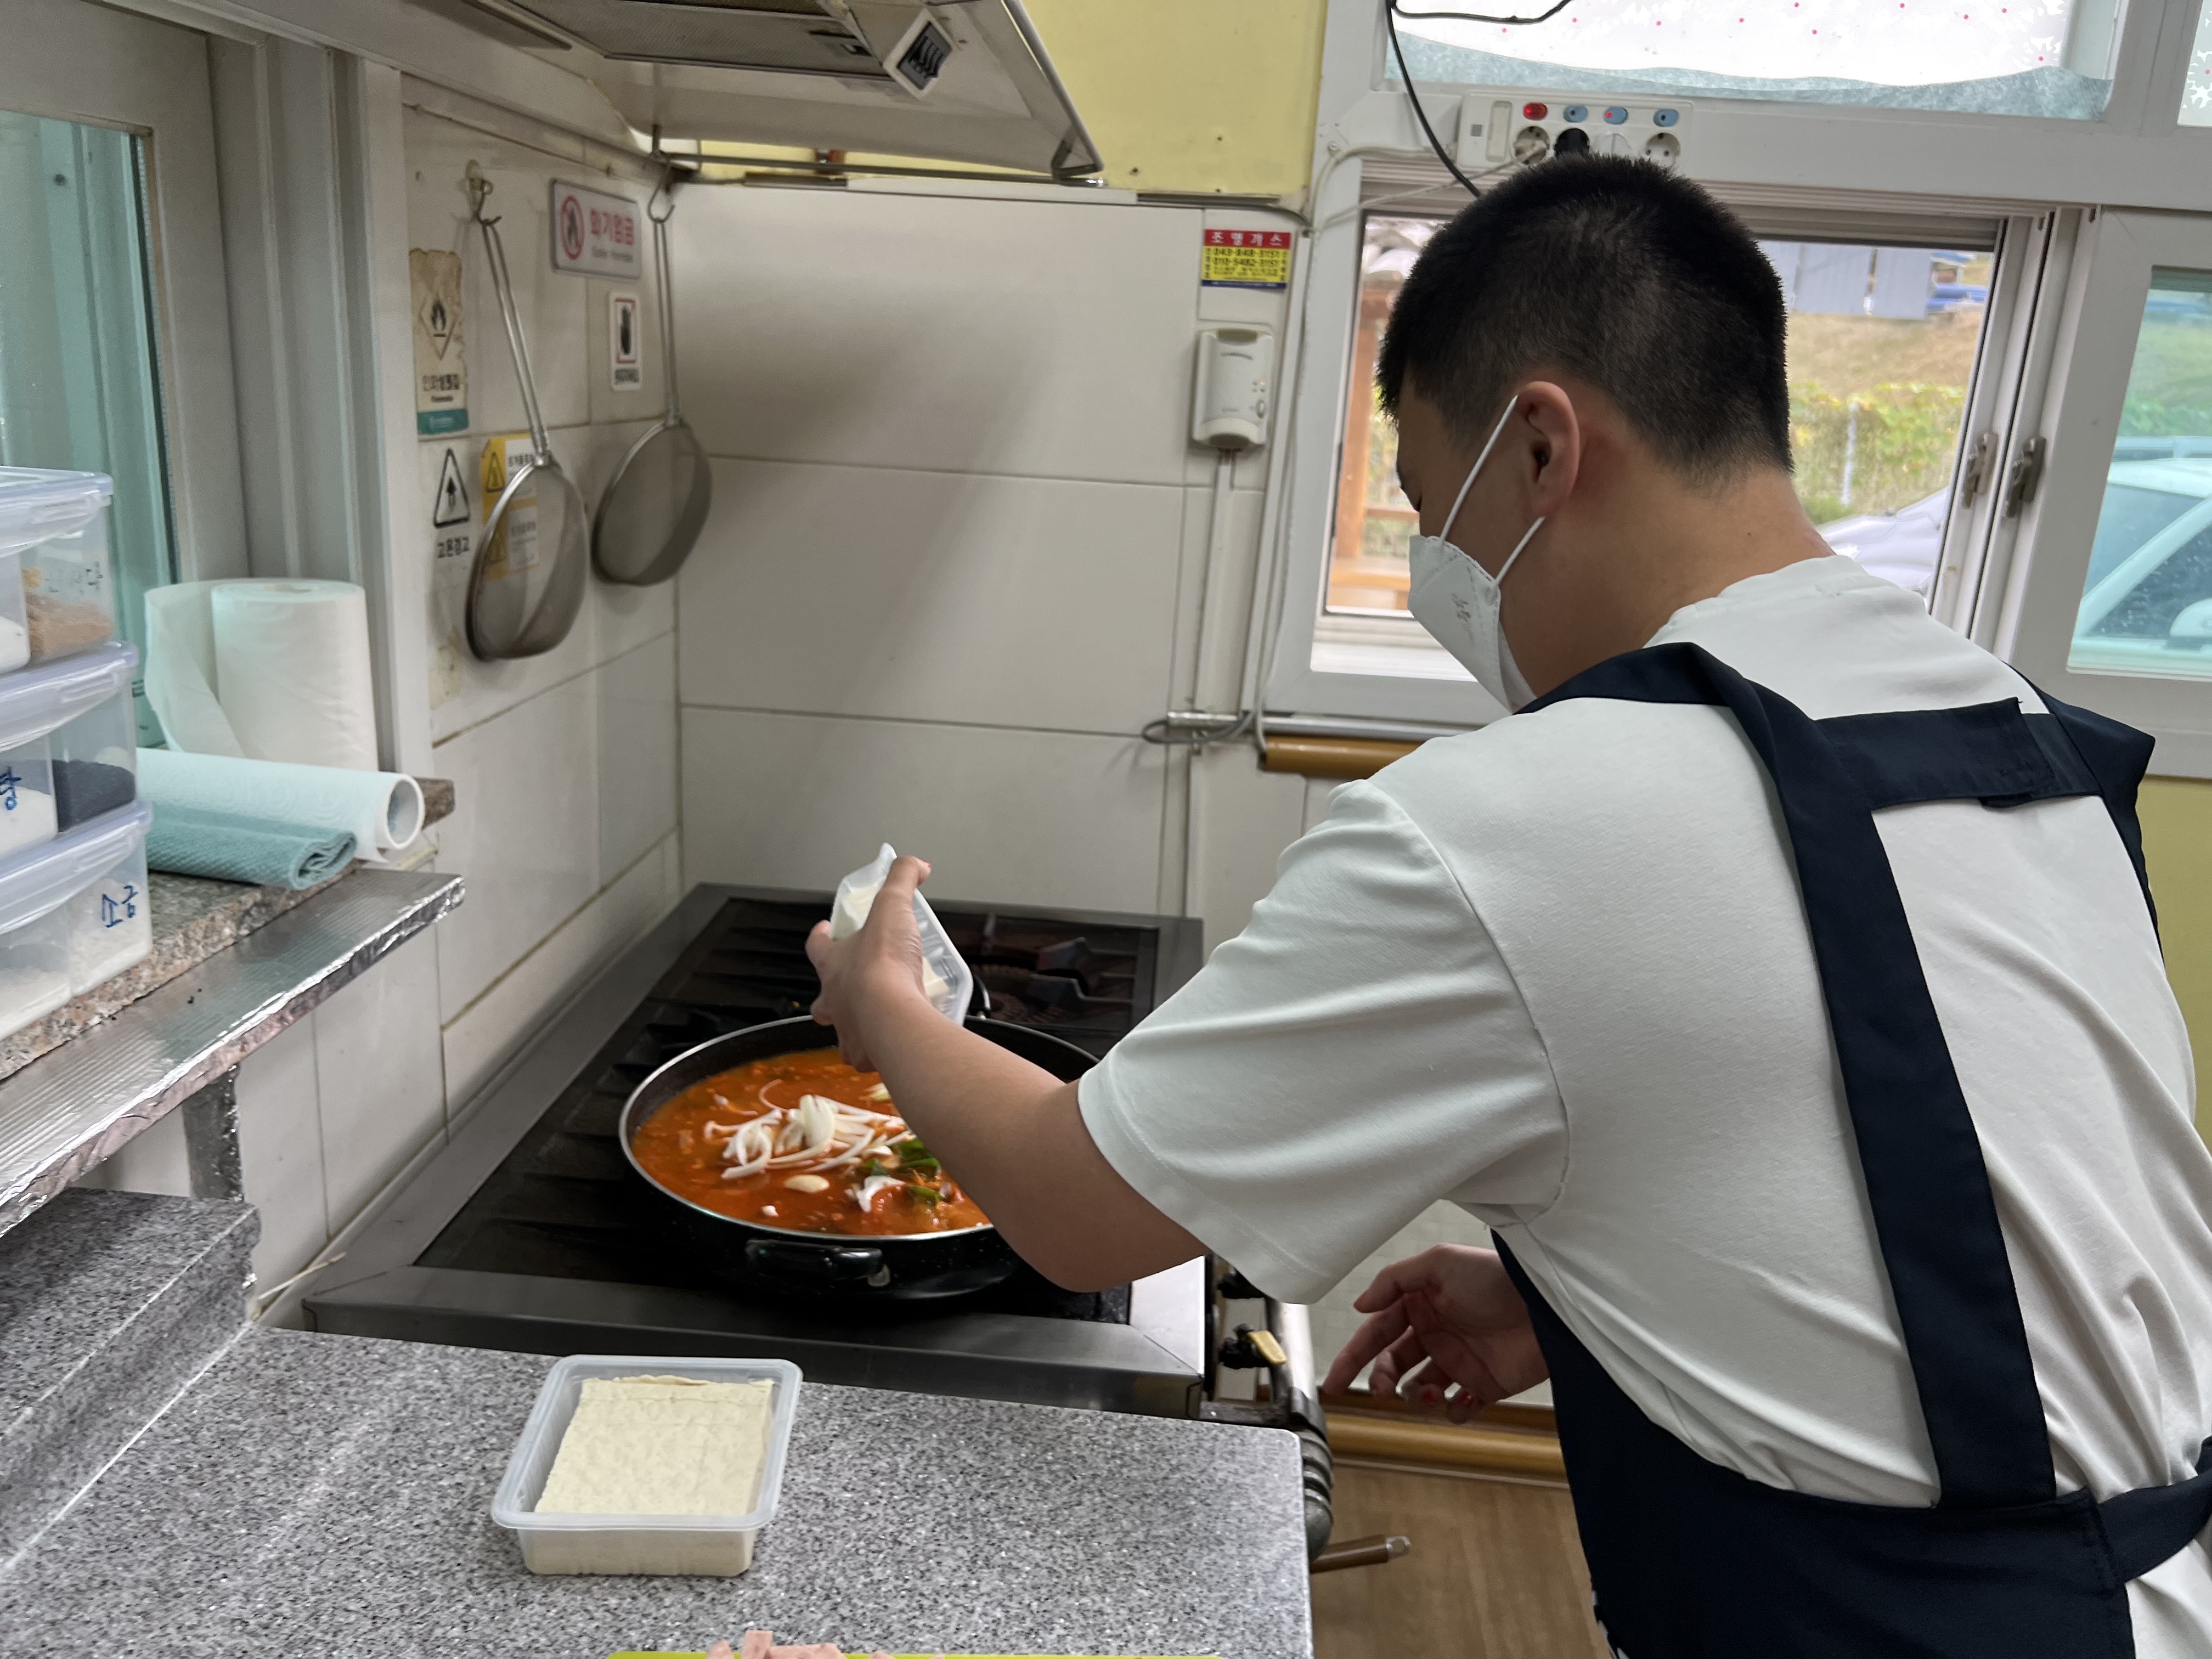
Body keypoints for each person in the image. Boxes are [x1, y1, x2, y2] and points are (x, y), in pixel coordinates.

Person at [805, 157, 2212, 1656]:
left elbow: (1079, 1212)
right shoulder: (2002, 721)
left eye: (1429, 504)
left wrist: (885, 1003)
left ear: (1542, 447)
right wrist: (1577, 1302)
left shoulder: (1529, 814)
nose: (1440, 571)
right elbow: (1972, 1163)